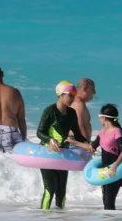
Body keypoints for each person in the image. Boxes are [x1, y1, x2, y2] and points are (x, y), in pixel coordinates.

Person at [35, 81, 93, 210]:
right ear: (61, 95)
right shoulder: (50, 111)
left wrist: (90, 145)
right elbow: (40, 132)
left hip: (63, 155)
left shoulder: (72, 113)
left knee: (61, 191)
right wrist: (50, 139)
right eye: (70, 95)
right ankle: (44, 220)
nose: (73, 98)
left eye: (74, 95)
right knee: (50, 189)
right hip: (47, 154)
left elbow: (77, 134)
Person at [91, 104, 122, 210]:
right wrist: (74, 142)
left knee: (109, 202)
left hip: (115, 170)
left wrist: (114, 167)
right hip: (104, 171)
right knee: (106, 201)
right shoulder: (102, 132)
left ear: (104, 117)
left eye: (99, 116)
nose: (99, 118)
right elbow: (92, 146)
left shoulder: (117, 131)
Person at [72, 78, 96, 145]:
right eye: (92, 89)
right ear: (85, 89)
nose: (94, 92)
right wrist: (86, 144)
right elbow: (80, 125)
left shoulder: (78, 102)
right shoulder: (78, 104)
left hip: (78, 140)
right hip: (78, 141)